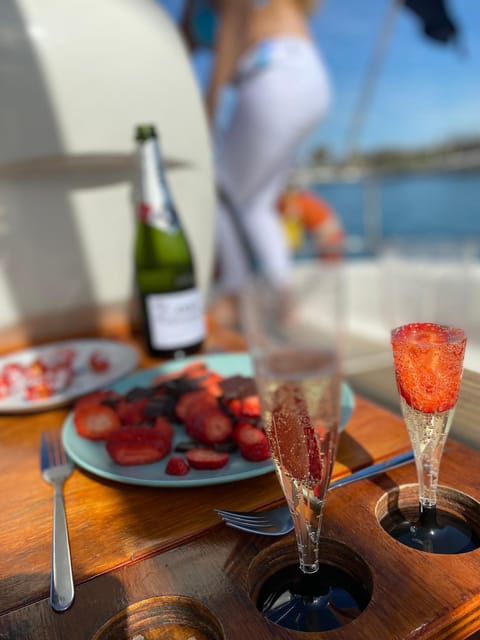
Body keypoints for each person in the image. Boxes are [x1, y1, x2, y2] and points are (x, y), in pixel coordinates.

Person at [180, 0, 332, 325]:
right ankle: (285, 300)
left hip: (273, 75)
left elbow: (228, 42)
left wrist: (206, 114)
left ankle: (235, 295)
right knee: (256, 203)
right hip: (304, 76)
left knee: (218, 189)